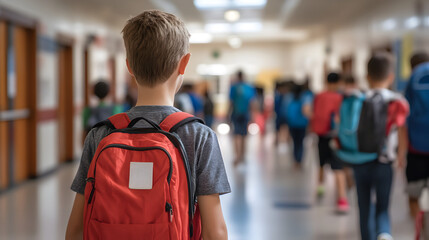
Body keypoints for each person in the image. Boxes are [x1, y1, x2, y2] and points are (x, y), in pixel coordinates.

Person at [66, 10, 230, 240]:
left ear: (129, 67)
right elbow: (215, 232)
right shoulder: (199, 135)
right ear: (184, 64)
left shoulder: (101, 133)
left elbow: (74, 230)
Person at [349, 53, 409, 240]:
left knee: (364, 206)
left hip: (359, 160)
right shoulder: (397, 101)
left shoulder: (357, 99)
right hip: (384, 161)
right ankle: (384, 233)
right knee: (383, 206)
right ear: (391, 76)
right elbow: (401, 131)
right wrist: (401, 156)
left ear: (367, 76)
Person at [312, 72, 349, 213]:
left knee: (321, 163)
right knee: (338, 168)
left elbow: (315, 114)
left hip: (321, 135)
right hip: (336, 137)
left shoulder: (319, 96)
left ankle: (320, 187)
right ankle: (342, 199)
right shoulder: (341, 98)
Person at [403, 52, 429, 220]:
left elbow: (404, 116)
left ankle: (418, 226)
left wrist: (401, 150)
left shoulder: (412, 80)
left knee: (413, 193)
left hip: (416, 148)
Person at [229, 70, 256, 166]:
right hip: (246, 114)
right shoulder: (249, 87)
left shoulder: (233, 87)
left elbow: (231, 102)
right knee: (244, 135)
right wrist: (253, 115)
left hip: (236, 113)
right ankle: (243, 156)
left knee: (236, 135)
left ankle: (237, 156)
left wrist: (228, 115)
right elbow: (252, 102)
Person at [285, 82, 312, 169]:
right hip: (302, 124)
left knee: (295, 143)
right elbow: (307, 112)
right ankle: (299, 161)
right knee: (300, 143)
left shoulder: (289, 98)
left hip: (292, 124)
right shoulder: (305, 98)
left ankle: (296, 161)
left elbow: (286, 112)